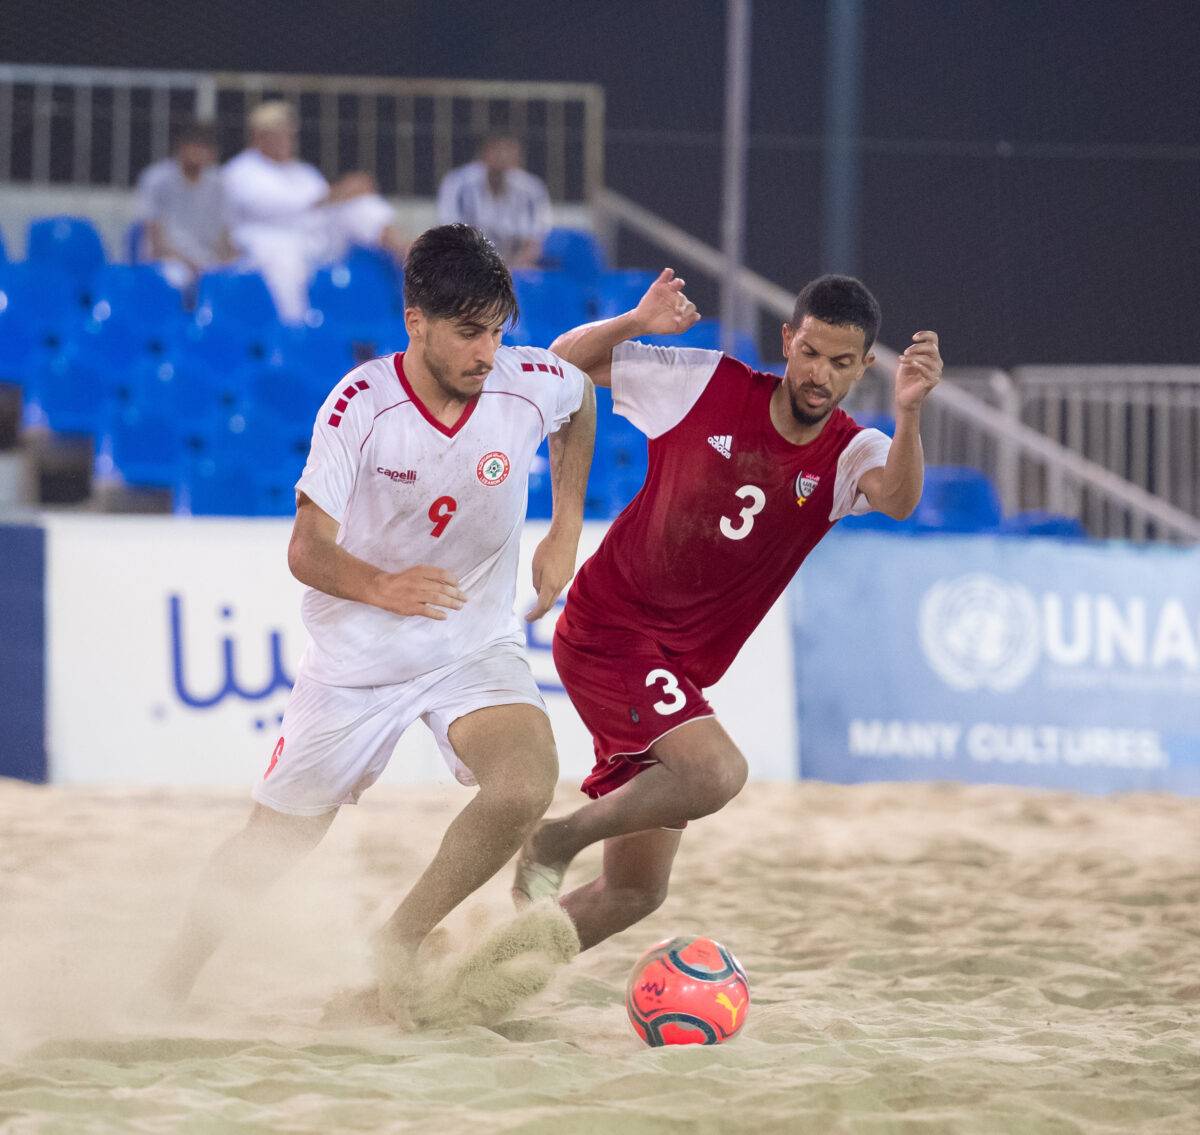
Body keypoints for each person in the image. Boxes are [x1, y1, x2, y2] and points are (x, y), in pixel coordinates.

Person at [156, 224, 597, 1019]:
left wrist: (566, 526)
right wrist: (380, 584)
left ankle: (397, 942)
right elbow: (306, 548)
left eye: (497, 331)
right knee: (274, 841)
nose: (487, 352)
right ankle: (169, 981)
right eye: (469, 332)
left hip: (470, 643)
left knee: (525, 783)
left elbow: (582, 398)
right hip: (355, 657)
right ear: (415, 320)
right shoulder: (360, 404)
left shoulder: (525, 380)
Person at [512, 270, 943, 951]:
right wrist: (635, 321)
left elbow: (897, 496)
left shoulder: (850, 452)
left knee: (635, 891)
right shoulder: (707, 384)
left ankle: (482, 981)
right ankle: (555, 836)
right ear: (787, 340)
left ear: (864, 368)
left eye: (839, 363)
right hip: (611, 630)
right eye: (809, 353)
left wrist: (912, 411)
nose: (819, 375)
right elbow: (560, 362)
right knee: (715, 772)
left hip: (675, 674)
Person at [221, 100, 409, 322]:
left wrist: (348, 194)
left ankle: (410, 254)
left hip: (313, 239)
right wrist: (338, 192)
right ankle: (295, 330)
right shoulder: (242, 169)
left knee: (361, 205)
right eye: (277, 132)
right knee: (285, 260)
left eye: (288, 132)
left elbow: (325, 204)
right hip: (266, 241)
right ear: (259, 136)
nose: (286, 138)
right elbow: (272, 207)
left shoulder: (302, 171)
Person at [134, 121, 237, 287]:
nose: (199, 153)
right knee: (177, 278)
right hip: (168, 260)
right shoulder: (157, 179)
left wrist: (227, 261)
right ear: (181, 147)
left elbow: (226, 233)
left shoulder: (220, 183)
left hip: (208, 260)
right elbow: (154, 235)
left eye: (205, 148)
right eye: (195, 146)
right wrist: (188, 263)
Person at [437, 132, 551, 268]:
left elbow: (537, 238)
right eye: (497, 149)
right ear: (483, 153)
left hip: (516, 265)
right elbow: (450, 232)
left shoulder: (531, 188)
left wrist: (513, 266)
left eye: (508, 150)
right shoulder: (457, 183)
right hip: (467, 263)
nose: (502, 156)